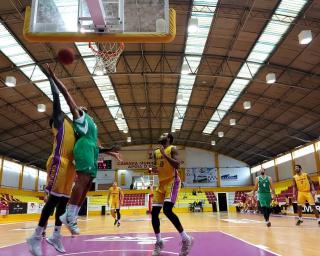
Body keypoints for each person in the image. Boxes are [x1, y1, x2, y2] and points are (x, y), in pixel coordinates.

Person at [46, 65, 121, 235]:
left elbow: (97, 146)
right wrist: (54, 78)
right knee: (83, 180)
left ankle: (71, 216)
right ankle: (70, 217)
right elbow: (66, 94)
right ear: (78, 112)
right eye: (78, 108)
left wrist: (110, 152)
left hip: (91, 151)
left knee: (88, 183)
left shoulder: (91, 124)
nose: (80, 107)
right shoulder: (79, 118)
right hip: (84, 151)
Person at [27, 68, 76, 256]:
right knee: (54, 200)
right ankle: (36, 236)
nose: (62, 112)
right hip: (59, 162)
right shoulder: (58, 122)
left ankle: (56, 236)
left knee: (63, 203)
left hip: (70, 167)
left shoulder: (72, 127)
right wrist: (52, 80)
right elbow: (57, 99)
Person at [151, 133, 193, 256]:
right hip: (161, 184)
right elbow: (156, 167)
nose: (161, 135)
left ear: (168, 138)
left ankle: (186, 239)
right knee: (154, 214)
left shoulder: (172, 149)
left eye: (164, 134)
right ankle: (159, 242)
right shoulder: (156, 152)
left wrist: (165, 155)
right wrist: (154, 169)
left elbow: (178, 165)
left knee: (167, 210)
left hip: (172, 181)